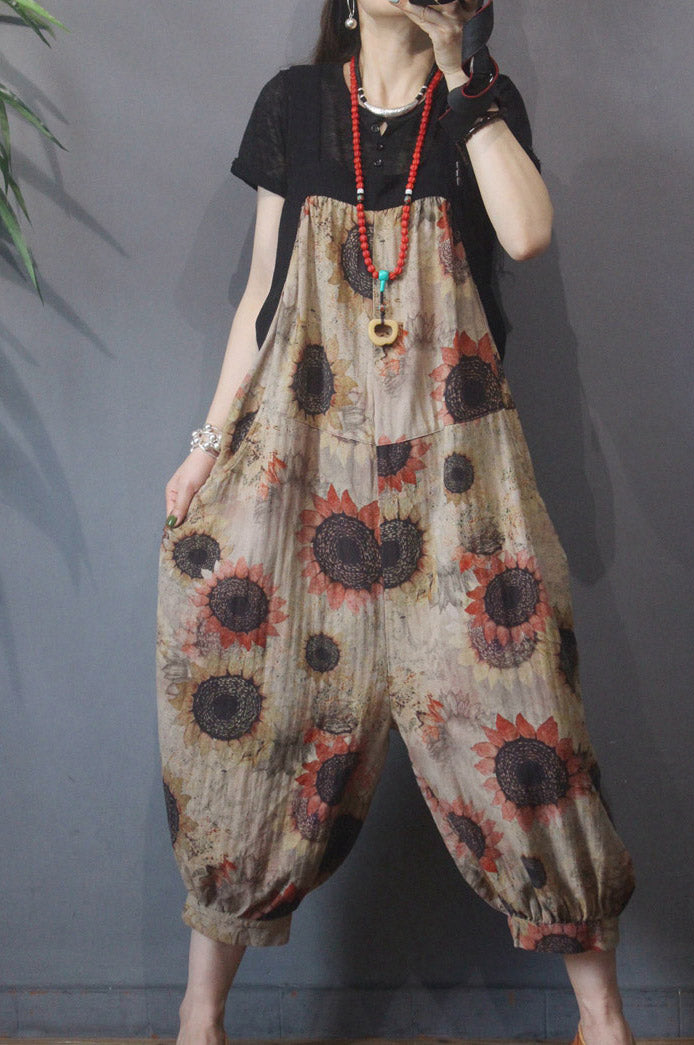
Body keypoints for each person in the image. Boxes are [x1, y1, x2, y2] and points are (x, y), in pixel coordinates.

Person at [156, 2, 638, 1044]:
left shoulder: (479, 104)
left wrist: (464, 76)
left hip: (458, 470)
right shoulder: (294, 104)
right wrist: (207, 440)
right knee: (260, 718)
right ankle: (201, 1018)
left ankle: (603, 1024)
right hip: (301, 458)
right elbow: (260, 295)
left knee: (525, 716)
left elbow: (528, 233)